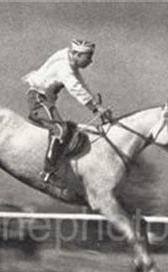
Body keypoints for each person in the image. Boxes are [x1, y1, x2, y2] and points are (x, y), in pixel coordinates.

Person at [22, 39, 112, 184]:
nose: (90, 61)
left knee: (68, 130)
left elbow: (81, 84)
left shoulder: (70, 62)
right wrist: (95, 109)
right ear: (77, 55)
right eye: (88, 57)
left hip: (46, 100)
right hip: (38, 99)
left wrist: (96, 105)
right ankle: (48, 173)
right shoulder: (65, 67)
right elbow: (75, 87)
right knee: (60, 130)